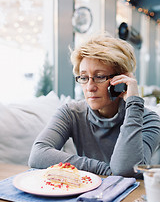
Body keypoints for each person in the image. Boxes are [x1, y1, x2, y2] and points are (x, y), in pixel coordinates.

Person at [28, 32, 160, 178]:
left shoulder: (149, 120)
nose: (90, 87)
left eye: (99, 77)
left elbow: (126, 170)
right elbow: (38, 155)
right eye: (84, 77)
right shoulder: (71, 112)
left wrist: (133, 104)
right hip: (85, 194)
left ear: (120, 81)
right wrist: (104, 169)